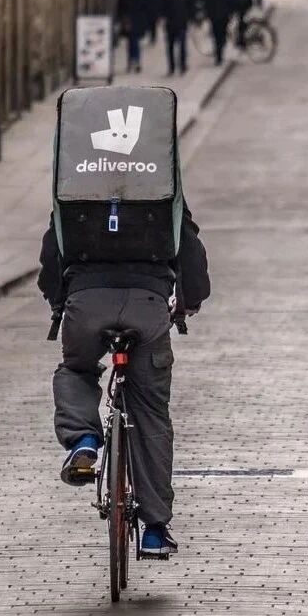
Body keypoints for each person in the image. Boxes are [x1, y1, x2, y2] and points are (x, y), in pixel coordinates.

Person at [38, 208, 210, 557]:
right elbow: (191, 253)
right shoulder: (160, 189)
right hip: (148, 305)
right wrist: (189, 301)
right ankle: (155, 531)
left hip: (86, 303)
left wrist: (60, 302)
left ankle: (83, 440)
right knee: (150, 410)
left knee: (77, 369)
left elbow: (51, 254)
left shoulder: (79, 187)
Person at [162, 0, 194, 76]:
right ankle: (172, 67)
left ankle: (182, 66)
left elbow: (191, 7)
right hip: (171, 24)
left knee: (181, 47)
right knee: (171, 47)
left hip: (181, 24)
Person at [202, 0, 232, 66]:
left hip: (216, 14)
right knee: (220, 35)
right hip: (221, 14)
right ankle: (219, 54)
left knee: (218, 35)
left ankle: (219, 54)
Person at [116, 0, 147, 74]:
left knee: (132, 42)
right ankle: (134, 61)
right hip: (132, 22)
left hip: (131, 22)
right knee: (134, 42)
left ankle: (133, 61)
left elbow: (120, 10)